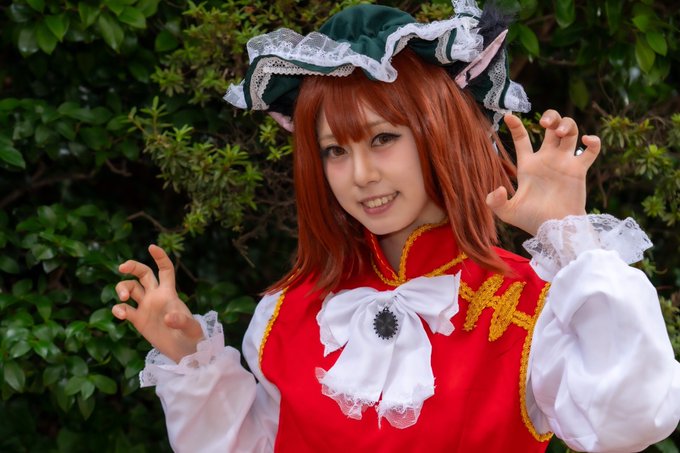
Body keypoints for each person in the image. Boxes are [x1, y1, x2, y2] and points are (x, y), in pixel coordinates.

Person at [112, 1, 680, 451]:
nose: (360, 175)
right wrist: (191, 361)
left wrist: (571, 238)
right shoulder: (287, 312)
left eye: (382, 138)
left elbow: (632, 419)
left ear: (439, 133)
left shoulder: (529, 308)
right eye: (335, 151)